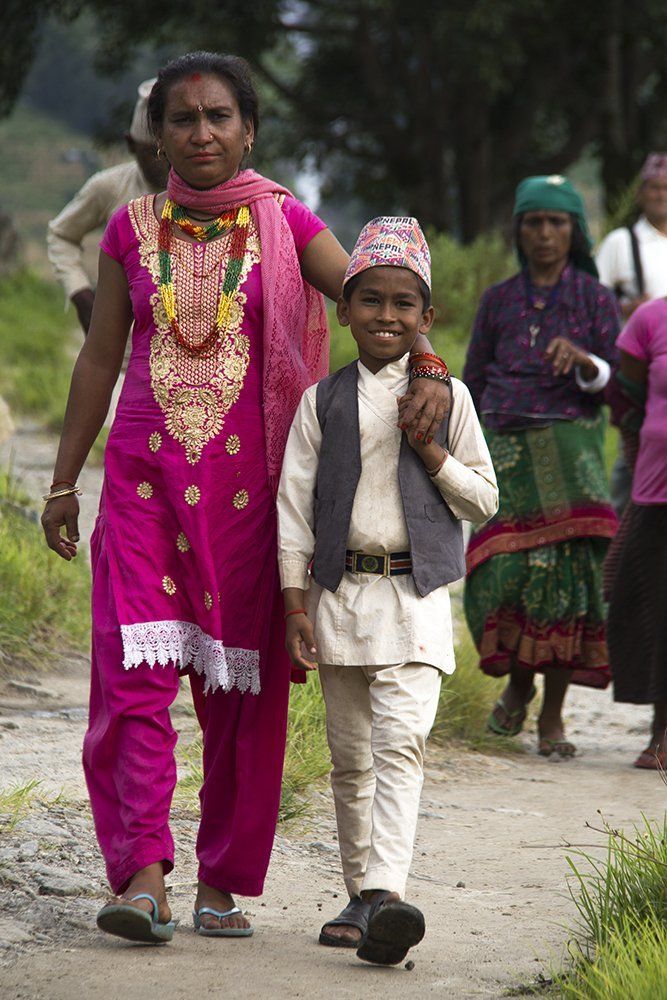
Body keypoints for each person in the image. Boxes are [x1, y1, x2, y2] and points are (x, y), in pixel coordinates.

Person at [41, 53, 451, 944]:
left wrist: (429, 365)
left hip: (252, 496)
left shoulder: (286, 220)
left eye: (218, 116)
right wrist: (66, 481)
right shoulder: (127, 229)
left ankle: (221, 882)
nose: (200, 133)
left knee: (240, 694)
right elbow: (100, 358)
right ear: (157, 137)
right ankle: (142, 878)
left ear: (249, 130)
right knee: (133, 680)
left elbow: (376, 299)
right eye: (181, 119)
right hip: (143, 487)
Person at [277, 217, 498, 964]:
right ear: (343, 309)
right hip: (341, 597)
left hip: (416, 598)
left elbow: (483, 500)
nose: (386, 316)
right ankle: (362, 896)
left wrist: (432, 453)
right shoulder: (322, 402)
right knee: (350, 759)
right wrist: (295, 603)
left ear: (426, 316)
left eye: (404, 303)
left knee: (400, 745)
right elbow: (294, 508)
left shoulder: (449, 398)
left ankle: (385, 891)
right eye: (370, 300)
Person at [463, 175, 620, 758]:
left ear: (574, 231)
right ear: (519, 230)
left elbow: (617, 384)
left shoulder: (595, 299)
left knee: (565, 581)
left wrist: (585, 361)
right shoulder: (499, 300)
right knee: (505, 573)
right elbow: (473, 379)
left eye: (557, 222)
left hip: (569, 448)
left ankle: (551, 714)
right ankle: (518, 683)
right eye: (534, 222)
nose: (545, 233)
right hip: (505, 448)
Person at [47, 78, 168, 335]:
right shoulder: (110, 187)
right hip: (121, 349)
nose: (161, 161)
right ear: (130, 144)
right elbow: (61, 235)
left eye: (165, 151)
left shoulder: (206, 193)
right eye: (151, 152)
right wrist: (80, 293)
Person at [606, 299, 667, 769]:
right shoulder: (651, 319)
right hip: (656, 487)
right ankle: (661, 726)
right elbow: (627, 393)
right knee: (655, 609)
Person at [596, 152, 667, 514]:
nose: (661, 195)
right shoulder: (621, 242)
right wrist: (625, 309)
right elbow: (594, 299)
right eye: (654, 188)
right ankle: (623, 526)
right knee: (635, 446)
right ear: (640, 194)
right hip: (638, 368)